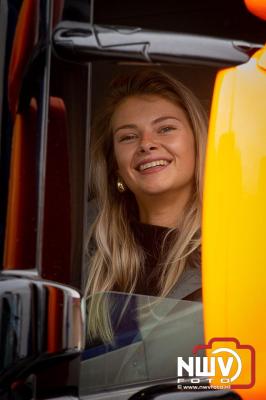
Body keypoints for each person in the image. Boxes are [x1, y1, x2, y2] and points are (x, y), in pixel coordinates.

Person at [85, 68, 207, 341]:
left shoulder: (243, 243)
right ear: (114, 164)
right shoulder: (82, 246)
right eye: (128, 136)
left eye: (165, 129)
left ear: (198, 143)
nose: (147, 145)